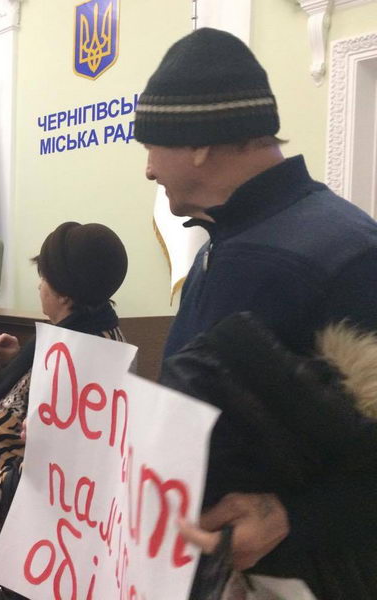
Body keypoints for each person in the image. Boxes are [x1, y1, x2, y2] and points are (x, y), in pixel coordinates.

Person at [135, 27, 377, 598]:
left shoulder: (348, 253)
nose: (148, 169)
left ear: (199, 143)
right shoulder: (221, 245)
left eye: (152, 145)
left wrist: (294, 516)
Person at [0, 222, 128, 590]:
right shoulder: (100, 334)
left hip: (45, 542)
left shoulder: (79, 359)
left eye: (43, 278)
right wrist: (20, 362)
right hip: (55, 538)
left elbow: (40, 473)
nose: (39, 287)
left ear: (65, 295)